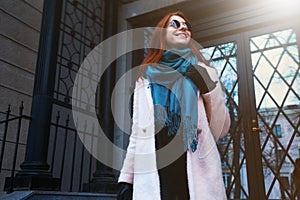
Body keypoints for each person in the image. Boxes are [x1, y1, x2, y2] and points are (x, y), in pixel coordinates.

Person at [117, 11, 230, 200]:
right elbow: (137, 133)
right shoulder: (144, 78)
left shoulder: (206, 72)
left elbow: (221, 129)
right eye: (175, 24)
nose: (183, 27)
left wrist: (207, 88)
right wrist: (127, 180)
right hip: (157, 168)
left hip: (195, 167)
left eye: (186, 26)